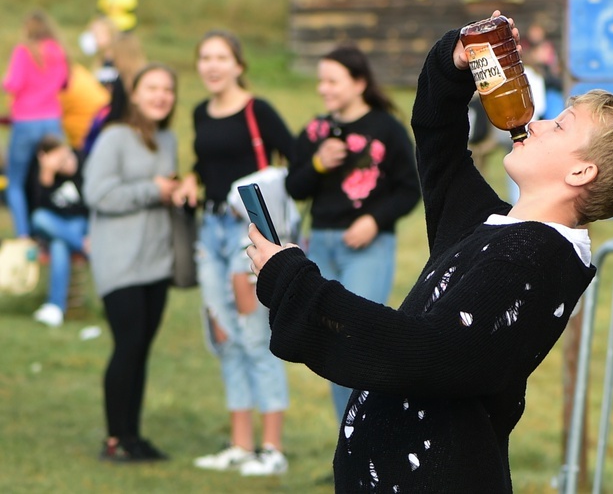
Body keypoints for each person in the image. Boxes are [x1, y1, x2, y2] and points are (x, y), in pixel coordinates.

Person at [245, 11, 613, 492]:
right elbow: (439, 140)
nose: (539, 123)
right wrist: (456, 61)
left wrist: (293, 281)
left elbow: (426, 352)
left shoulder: (536, 260)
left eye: (561, 127)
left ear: (580, 174)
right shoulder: (494, 228)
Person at [172, 30, 293, 476]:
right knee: (223, 337)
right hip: (209, 234)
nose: (212, 65)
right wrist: (190, 180)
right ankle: (241, 446)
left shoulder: (257, 110)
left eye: (221, 57)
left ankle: (272, 450)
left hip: (247, 238)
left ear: (239, 64)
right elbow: (206, 167)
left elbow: (295, 163)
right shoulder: (201, 111)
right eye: (205, 57)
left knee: (253, 337)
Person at [285, 44, 421, 421]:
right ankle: (349, 444)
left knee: (357, 341)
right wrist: (317, 163)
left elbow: (411, 189)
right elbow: (295, 188)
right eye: (320, 82)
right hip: (321, 246)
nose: (323, 89)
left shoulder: (387, 129)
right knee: (332, 347)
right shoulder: (315, 131)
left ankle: (372, 438)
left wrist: (374, 221)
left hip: (368, 246)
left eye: (332, 81)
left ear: (359, 82)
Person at [83, 63, 180, 462]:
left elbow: (163, 189)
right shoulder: (114, 137)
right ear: (135, 94)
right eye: (151, 88)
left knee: (141, 349)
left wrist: (178, 189)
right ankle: (114, 440)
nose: (160, 96)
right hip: (119, 262)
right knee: (127, 345)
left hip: (157, 262)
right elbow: (97, 194)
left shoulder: (168, 138)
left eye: (168, 89)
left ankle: (133, 436)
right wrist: (152, 190)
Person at [2, 10, 68, 238]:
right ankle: (52, 228)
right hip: (52, 119)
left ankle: (23, 235)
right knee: (53, 173)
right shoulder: (58, 50)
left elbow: (13, 84)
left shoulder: (25, 50)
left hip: (26, 120)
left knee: (16, 182)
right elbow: (64, 83)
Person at [26, 135, 88, 327]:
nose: (68, 164)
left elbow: (89, 205)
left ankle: (55, 307)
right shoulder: (40, 173)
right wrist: (47, 175)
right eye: (61, 162)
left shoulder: (84, 162)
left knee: (59, 244)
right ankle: (85, 245)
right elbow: (37, 211)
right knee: (40, 219)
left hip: (78, 221)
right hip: (55, 224)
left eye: (67, 156)